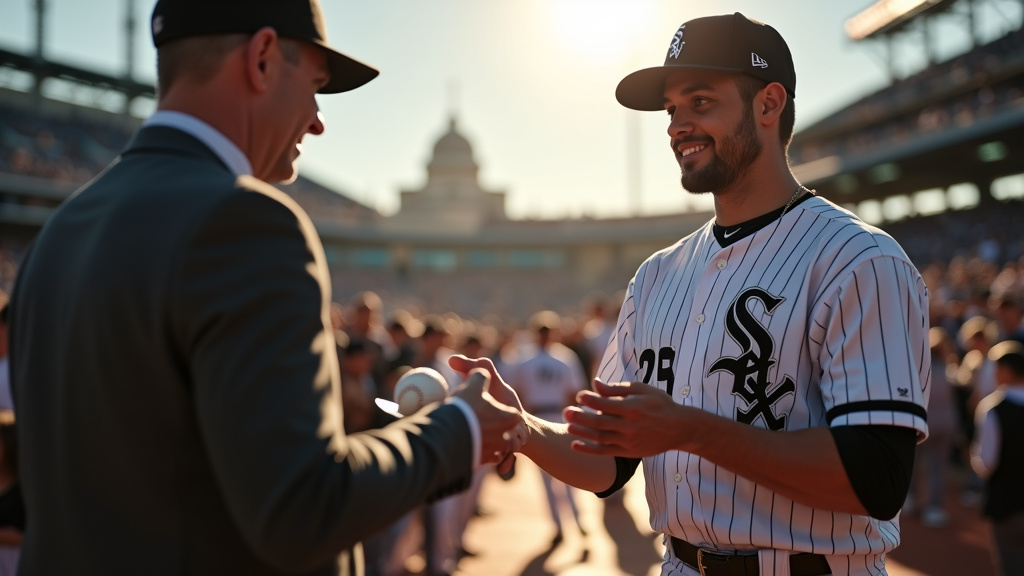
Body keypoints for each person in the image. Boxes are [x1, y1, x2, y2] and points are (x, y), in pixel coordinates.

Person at [7, 2, 521, 575]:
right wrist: (460, 428)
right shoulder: (247, 221)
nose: (318, 119)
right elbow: (302, 507)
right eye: (315, 86)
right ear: (262, 58)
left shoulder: (60, 233)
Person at [453, 12, 930, 576]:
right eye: (672, 109)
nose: (678, 124)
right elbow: (610, 461)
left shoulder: (858, 260)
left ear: (769, 105)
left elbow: (876, 479)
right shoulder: (656, 275)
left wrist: (689, 429)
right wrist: (523, 428)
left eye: (701, 101)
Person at [510, 311, 588, 546]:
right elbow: (574, 393)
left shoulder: (528, 361)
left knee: (561, 476)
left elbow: (518, 395)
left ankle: (568, 523)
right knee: (565, 474)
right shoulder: (563, 358)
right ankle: (568, 523)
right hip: (552, 416)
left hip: (541, 417)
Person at [971, 340, 1024, 576]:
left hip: (1006, 503)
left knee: (1010, 565)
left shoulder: (993, 408)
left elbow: (986, 463)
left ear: (1005, 371)